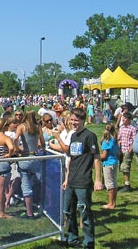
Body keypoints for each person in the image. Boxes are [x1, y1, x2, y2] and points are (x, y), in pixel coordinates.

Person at [62, 107, 103, 249]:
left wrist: (98, 179)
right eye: (72, 120)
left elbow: (97, 158)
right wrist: (67, 179)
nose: (74, 123)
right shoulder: (73, 136)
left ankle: (88, 243)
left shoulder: (89, 136)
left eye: (77, 120)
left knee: (84, 213)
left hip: (83, 181)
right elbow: (72, 160)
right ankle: (72, 239)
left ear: (83, 121)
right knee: (68, 211)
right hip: (71, 180)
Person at [13, 110, 45, 219]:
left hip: (25, 157)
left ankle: (29, 212)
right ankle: (41, 206)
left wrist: (17, 149)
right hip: (35, 157)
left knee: (26, 186)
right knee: (38, 182)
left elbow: (16, 138)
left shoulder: (22, 127)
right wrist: (41, 148)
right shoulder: (37, 127)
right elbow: (42, 142)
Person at [117, 111, 137, 192]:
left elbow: (134, 139)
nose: (123, 119)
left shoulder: (132, 128)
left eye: (125, 118)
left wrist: (131, 148)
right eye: (123, 118)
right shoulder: (121, 127)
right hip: (121, 150)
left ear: (129, 120)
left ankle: (127, 185)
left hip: (128, 150)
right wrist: (119, 143)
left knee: (125, 167)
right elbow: (119, 137)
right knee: (121, 167)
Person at [100, 124, 118, 209]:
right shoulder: (114, 140)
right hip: (114, 162)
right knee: (114, 183)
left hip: (108, 163)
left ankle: (110, 203)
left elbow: (104, 156)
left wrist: (95, 157)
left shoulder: (106, 141)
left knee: (109, 184)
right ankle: (114, 202)